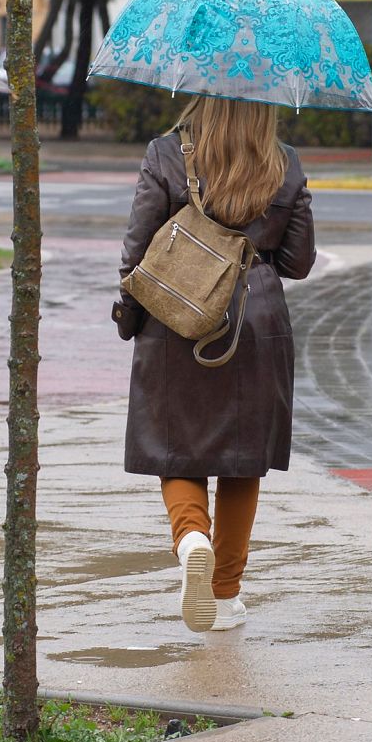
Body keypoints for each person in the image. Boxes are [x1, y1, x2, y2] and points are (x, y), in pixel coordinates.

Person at [116, 96, 316, 633]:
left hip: (178, 317)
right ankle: (224, 595)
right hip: (257, 322)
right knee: (241, 461)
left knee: (174, 448)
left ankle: (191, 540)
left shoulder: (165, 154)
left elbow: (137, 250)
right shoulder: (285, 160)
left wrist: (129, 316)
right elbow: (297, 261)